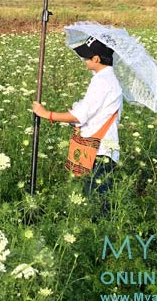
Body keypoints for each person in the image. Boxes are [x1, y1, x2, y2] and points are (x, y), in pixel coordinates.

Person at [32, 36, 123, 213]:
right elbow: (94, 113)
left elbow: (79, 115)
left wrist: (46, 114)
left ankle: (99, 237)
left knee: (95, 205)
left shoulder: (103, 82)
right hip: (100, 150)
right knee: (93, 200)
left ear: (96, 59)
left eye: (87, 57)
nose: (84, 60)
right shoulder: (106, 80)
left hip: (100, 153)